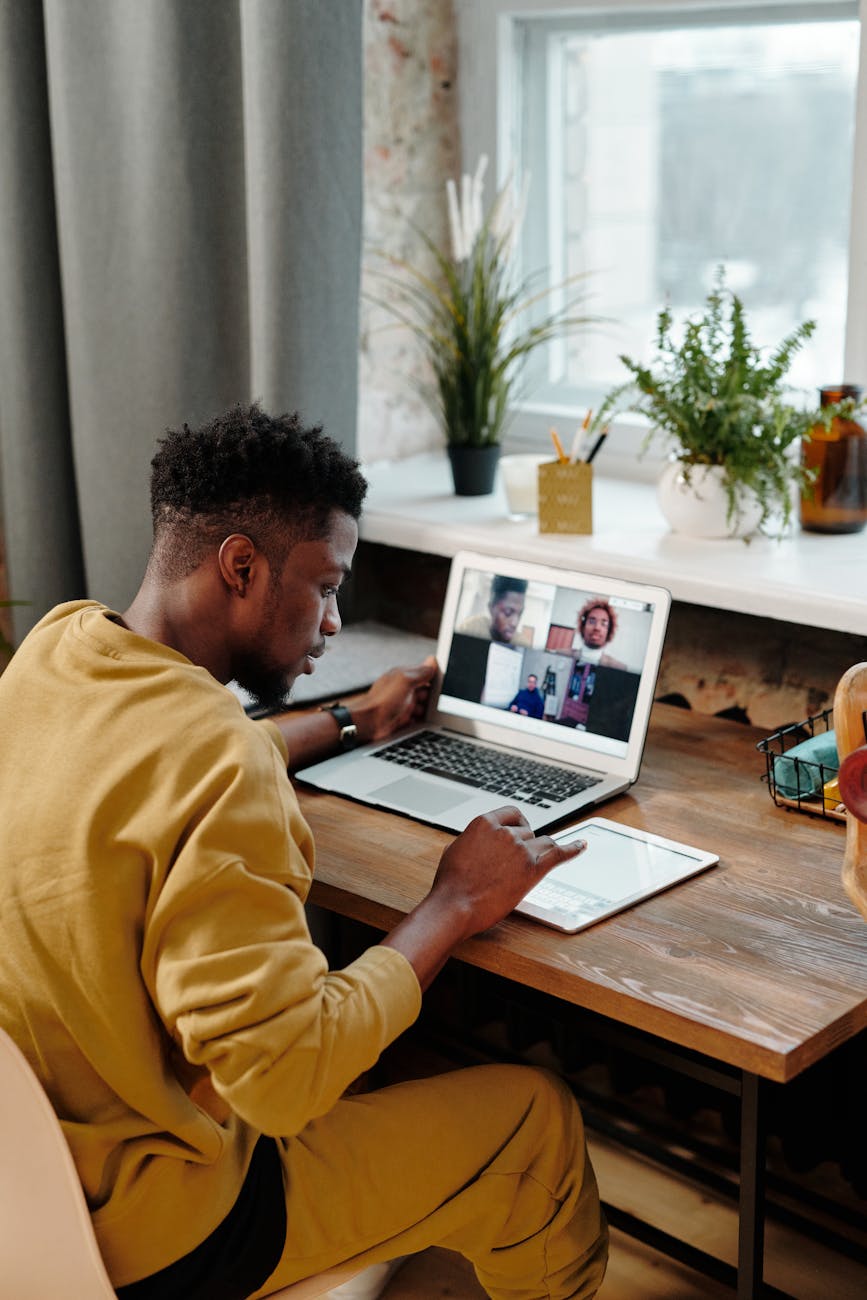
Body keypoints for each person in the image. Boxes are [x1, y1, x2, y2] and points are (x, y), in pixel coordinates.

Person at [0, 404, 607, 1300]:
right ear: (241, 565)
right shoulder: (218, 763)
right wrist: (453, 905)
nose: (332, 623)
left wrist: (352, 720)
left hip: (34, 1193)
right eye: (325, 586)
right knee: (537, 1120)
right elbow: (281, 1086)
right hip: (166, 1235)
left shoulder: (57, 648)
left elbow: (151, 762)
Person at [458, 574, 532, 647]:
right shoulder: (469, 629)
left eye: (520, 614)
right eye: (508, 612)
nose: (514, 623)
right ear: (491, 608)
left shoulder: (522, 645)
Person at [572, 597, 626, 670]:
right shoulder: (559, 654)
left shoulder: (619, 667)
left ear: (609, 631)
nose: (597, 628)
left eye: (604, 623)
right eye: (592, 621)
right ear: (583, 626)